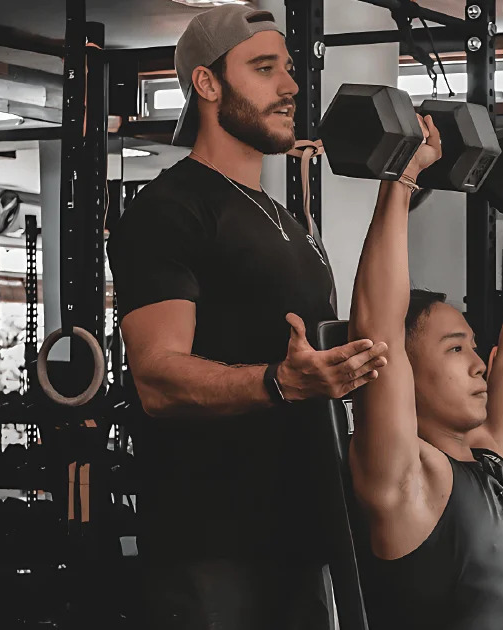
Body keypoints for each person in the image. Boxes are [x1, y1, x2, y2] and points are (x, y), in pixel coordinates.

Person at [107, 6, 389, 629]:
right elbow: (156, 379)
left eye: (287, 70)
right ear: (207, 84)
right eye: (264, 69)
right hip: (210, 545)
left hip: (305, 531)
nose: (289, 87)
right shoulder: (168, 211)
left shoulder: (285, 220)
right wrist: (279, 383)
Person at [345, 116, 503, 629]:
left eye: (474, 347)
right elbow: (380, 330)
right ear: (405, 373)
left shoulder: (497, 456)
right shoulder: (408, 481)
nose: (481, 364)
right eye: (456, 349)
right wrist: (402, 181)